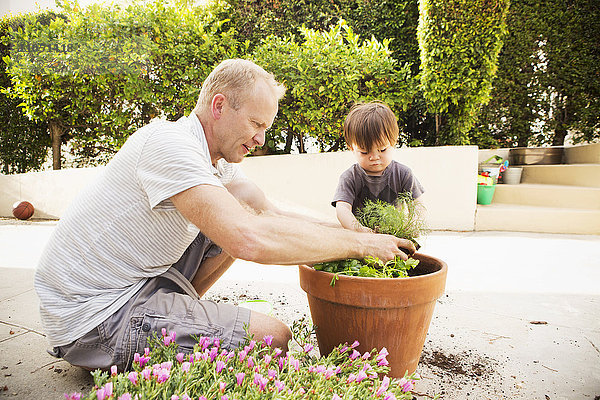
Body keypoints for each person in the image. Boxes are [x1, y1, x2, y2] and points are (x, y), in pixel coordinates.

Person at [34, 59, 415, 372]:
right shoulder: (170, 145)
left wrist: (355, 230)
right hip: (95, 317)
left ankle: (177, 315)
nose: (262, 139)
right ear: (219, 107)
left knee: (242, 212)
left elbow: (268, 210)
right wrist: (361, 247)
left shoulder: (214, 160)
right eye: (256, 124)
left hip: (135, 285)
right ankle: (164, 325)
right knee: (275, 339)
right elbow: (248, 238)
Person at [332, 101, 425, 233]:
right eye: (364, 152)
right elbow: (342, 209)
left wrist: (410, 229)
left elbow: (418, 206)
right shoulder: (349, 177)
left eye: (382, 150)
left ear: (393, 142)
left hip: (394, 236)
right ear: (352, 148)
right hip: (361, 241)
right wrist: (359, 230)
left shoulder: (404, 174)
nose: (374, 157)